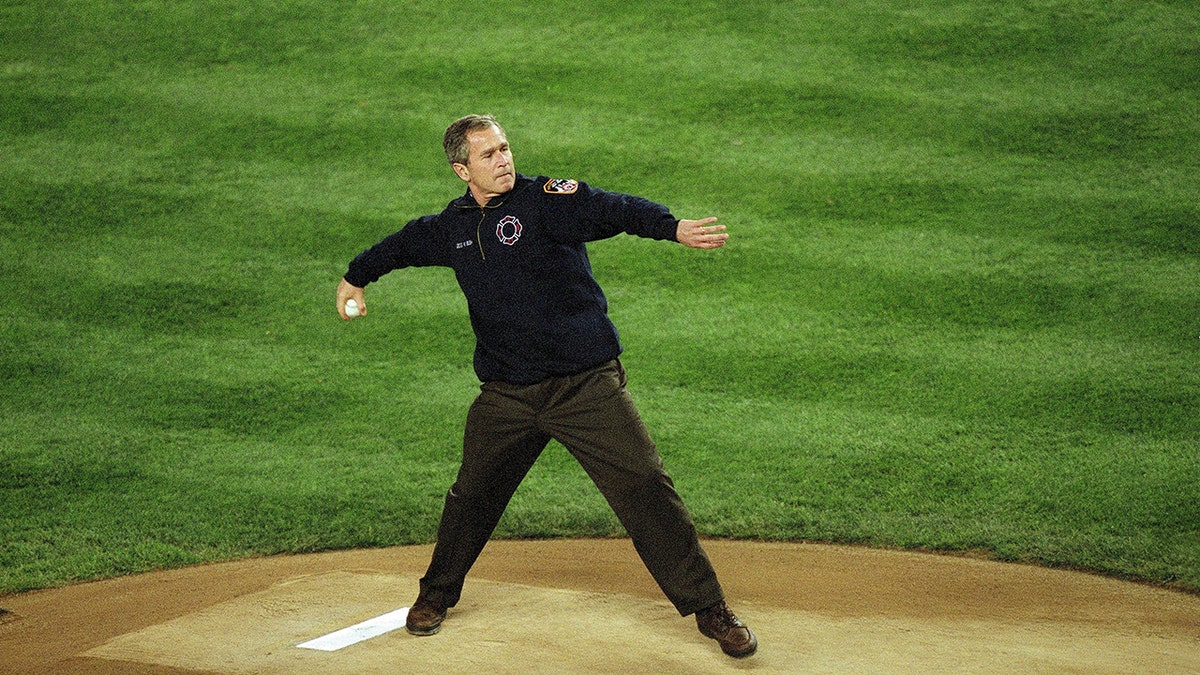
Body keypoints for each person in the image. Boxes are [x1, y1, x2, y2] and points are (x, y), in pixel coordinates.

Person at [335, 114, 757, 659]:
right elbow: (401, 246)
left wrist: (671, 226)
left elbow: (615, 207)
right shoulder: (455, 226)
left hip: (584, 388)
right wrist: (355, 277)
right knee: (472, 496)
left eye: (505, 148)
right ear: (462, 169)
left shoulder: (549, 201)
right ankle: (435, 595)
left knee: (646, 487)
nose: (504, 159)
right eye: (488, 155)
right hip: (507, 396)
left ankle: (711, 609)